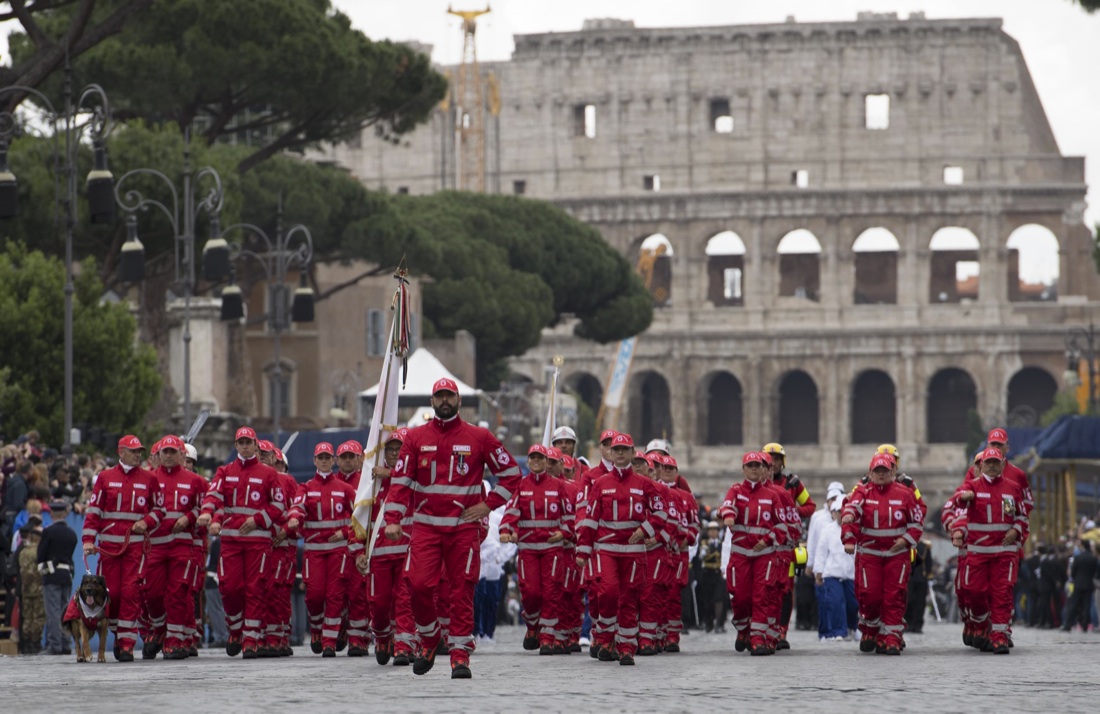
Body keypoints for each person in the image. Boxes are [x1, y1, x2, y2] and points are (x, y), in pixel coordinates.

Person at [383, 377, 522, 679]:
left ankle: (460, 656)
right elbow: (400, 482)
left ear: (459, 401)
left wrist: (487, 505)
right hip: (426, 529)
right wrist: (392, 519)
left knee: (461, 592)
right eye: (439, 396)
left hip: (463, 530)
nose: (444, 401)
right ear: (432, 401)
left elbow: (512, 473)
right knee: (417, 585)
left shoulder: (479, 437)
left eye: (449, 396)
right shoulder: (415, 438)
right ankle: (430, 637)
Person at [575, 433, 669, 665]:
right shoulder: (600, 484)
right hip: (606, 550)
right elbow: (590, 519)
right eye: (616, 449)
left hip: (633, 552)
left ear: (632, 453)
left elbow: (661, 512)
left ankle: (626, 647)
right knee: (607, 593)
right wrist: (583, 550)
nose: (619, 453)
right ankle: (605, 638)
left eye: (624, 450)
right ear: (610, 452)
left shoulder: (644, 484)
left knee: (629, 598)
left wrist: (645, 530)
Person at [197, 426, 287, 658]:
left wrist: (257, 520)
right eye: (241, 443)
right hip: (231, 541)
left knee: (255, 589)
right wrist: (207, 512)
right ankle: (236, 629)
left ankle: (250, 639)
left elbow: (279, 505)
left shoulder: (269, 474)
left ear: (256, 445)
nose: (245, 446)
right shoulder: (225, 471)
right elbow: (213, 494)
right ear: (236, 445)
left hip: (258, 542)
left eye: (249, 442)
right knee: (229, 588)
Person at [82, 435, 165, 661]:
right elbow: (94, 511)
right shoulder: (105, 478)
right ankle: (118, 633)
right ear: (121, 452)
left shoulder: (149, 478)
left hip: (135, 548)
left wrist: (146, 522)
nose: (138, 455)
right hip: (109, 549)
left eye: (139, 451)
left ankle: (127, 643)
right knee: (113, 594)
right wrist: (88, 540)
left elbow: (159, 510)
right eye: (133, 451)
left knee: (131, 592)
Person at [841, 452, 924, 655]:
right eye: (877, 471)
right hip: (870, 554)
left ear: (892, 472)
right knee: (870, 595)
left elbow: (916, 523)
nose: (881, 474)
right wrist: (849, 525)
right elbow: (852, 509)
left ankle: (891, 637)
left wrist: (905, 540)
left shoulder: (905, 494)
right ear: (870, 473)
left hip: (897, 555)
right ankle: (870, 629)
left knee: (894, 596)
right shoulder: (863, 492)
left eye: (884, 471)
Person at [950, 447, 1028, 653]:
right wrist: (964, 496)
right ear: (981, 465)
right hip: (979, 552)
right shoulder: (972, 486)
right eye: (988, 462)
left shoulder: (1012, 488)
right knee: (974, 592)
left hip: (1004, 552)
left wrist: (1016, 530)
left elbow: (1022, 516)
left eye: (996, 462)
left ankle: (1000, 637)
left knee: (1002, 594)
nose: (992, 466)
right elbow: (957, 500)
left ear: (1003, 464)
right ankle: (982, 623)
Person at [499, 443, 573, 654]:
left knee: (551, 592)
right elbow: (511, 511)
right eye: (533, 457)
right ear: (529, 461)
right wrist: (506, 530)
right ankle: (532, 626)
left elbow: (568, 515)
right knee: (530, 593)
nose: (537, 461)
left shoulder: (558, 486)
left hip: (552, 549)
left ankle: (547, 637)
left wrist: (564, 533)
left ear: (546, 461)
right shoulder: (521, 486)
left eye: (541, 457)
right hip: (528, 549)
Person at [139, 434, 208, 660]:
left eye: (172, 452)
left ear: (181, 454)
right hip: (155, 546)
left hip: (182, 546)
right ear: (159, 455)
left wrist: (189, 517)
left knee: (178, 593)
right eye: (165, 452)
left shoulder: (195, 481)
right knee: (152, 593)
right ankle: (159, 628)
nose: (168, 456)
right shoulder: (148, 478)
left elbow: (207, 506)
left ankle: (175, 641)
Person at [287, 442, 354, 658]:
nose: (324, 461)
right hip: (314, 550)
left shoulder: (345, 489)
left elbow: (360, 518)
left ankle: (329, 642)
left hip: (338, 551)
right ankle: (316, 627)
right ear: (314, 461)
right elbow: (297, 506)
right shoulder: (306, 487)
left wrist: (345, 533)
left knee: (335, 595)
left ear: (333, 460)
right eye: (321, 458)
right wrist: (295, 518)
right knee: (314, 596)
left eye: (327, 457)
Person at [719, 451, 789, 656]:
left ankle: (757, 639)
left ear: (763, 469)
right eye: (750, 466)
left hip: (764, 555)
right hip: (741, 555)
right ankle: (743, 629)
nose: (754, 469)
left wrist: (767, 540)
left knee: (761, 596)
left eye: (758, 466)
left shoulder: (772, 495)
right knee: (740, 597)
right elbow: (727, 506)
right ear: (743, 469)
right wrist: (728, 516)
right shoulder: (736, 490)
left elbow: (782, 526)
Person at [359, 429, 417, 666]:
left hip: (407, 552)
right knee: (379, 603)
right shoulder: (371, 484)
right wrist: (357, 551)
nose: (394, 453)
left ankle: (404, 646)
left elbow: (417, 481)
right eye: (390, 449)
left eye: (399, 449)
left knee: (405, 601)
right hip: (379, 555)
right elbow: (360, 518)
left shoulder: (413, 480)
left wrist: (392, 474)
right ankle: (383, 638)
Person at [761, 443, 813, 649]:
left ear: (782, 462)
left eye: (776, 459)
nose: (773, 463)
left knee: (785, 589)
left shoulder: (792, 483)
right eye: (769, 459)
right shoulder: (755, 483)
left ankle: (781, 630)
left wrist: (791, 511)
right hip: (762, 546)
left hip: (786, 545)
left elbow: (810, 506)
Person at [811, 497, 855, 641]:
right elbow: (821, 552)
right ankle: (838, 631)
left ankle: (852, 628)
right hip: (832, 573)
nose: (841, 514)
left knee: (853, 603)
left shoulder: (855, 529)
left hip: (851, 573)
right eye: (838, 512)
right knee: (836, 602)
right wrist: (818, 572)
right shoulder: (827, 530)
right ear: (834, 513)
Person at [806, 481, 845, 639]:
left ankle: (841, 630)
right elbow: (813, 541)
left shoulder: (847, 516)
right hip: (824, 565)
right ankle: (825, 632)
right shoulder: (818, 517)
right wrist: (811, 563)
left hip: (842, 566)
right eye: (832, 498)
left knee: (840, 601)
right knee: (824, 600)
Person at [37, 500, 76, 655]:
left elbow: (40, 555)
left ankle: (55, 645)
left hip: (51, 575)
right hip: (66, 574)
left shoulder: (48, 532)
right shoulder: (72, 533)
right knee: (65, 610)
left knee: (53, 611)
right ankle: (66, 643)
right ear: (64, 514)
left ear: (52, 513)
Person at [16, 519, 44, 653]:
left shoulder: (23, 552)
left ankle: (26, 643)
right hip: (38, 589)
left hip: (26, 589)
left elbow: (21, 570)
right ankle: (35, 643)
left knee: (27, 617)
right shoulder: (39, 551)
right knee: (38, 617)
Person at [1063, 540, 1096, 632]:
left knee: (1073, 604)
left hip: (1078, 583)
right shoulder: (1093, 558)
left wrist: (1075, 578)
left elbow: (1073, 571)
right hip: (1089, 584)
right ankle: (1085, 625)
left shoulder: (1078, 557)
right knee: (1087, 605)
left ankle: (1068, 624)